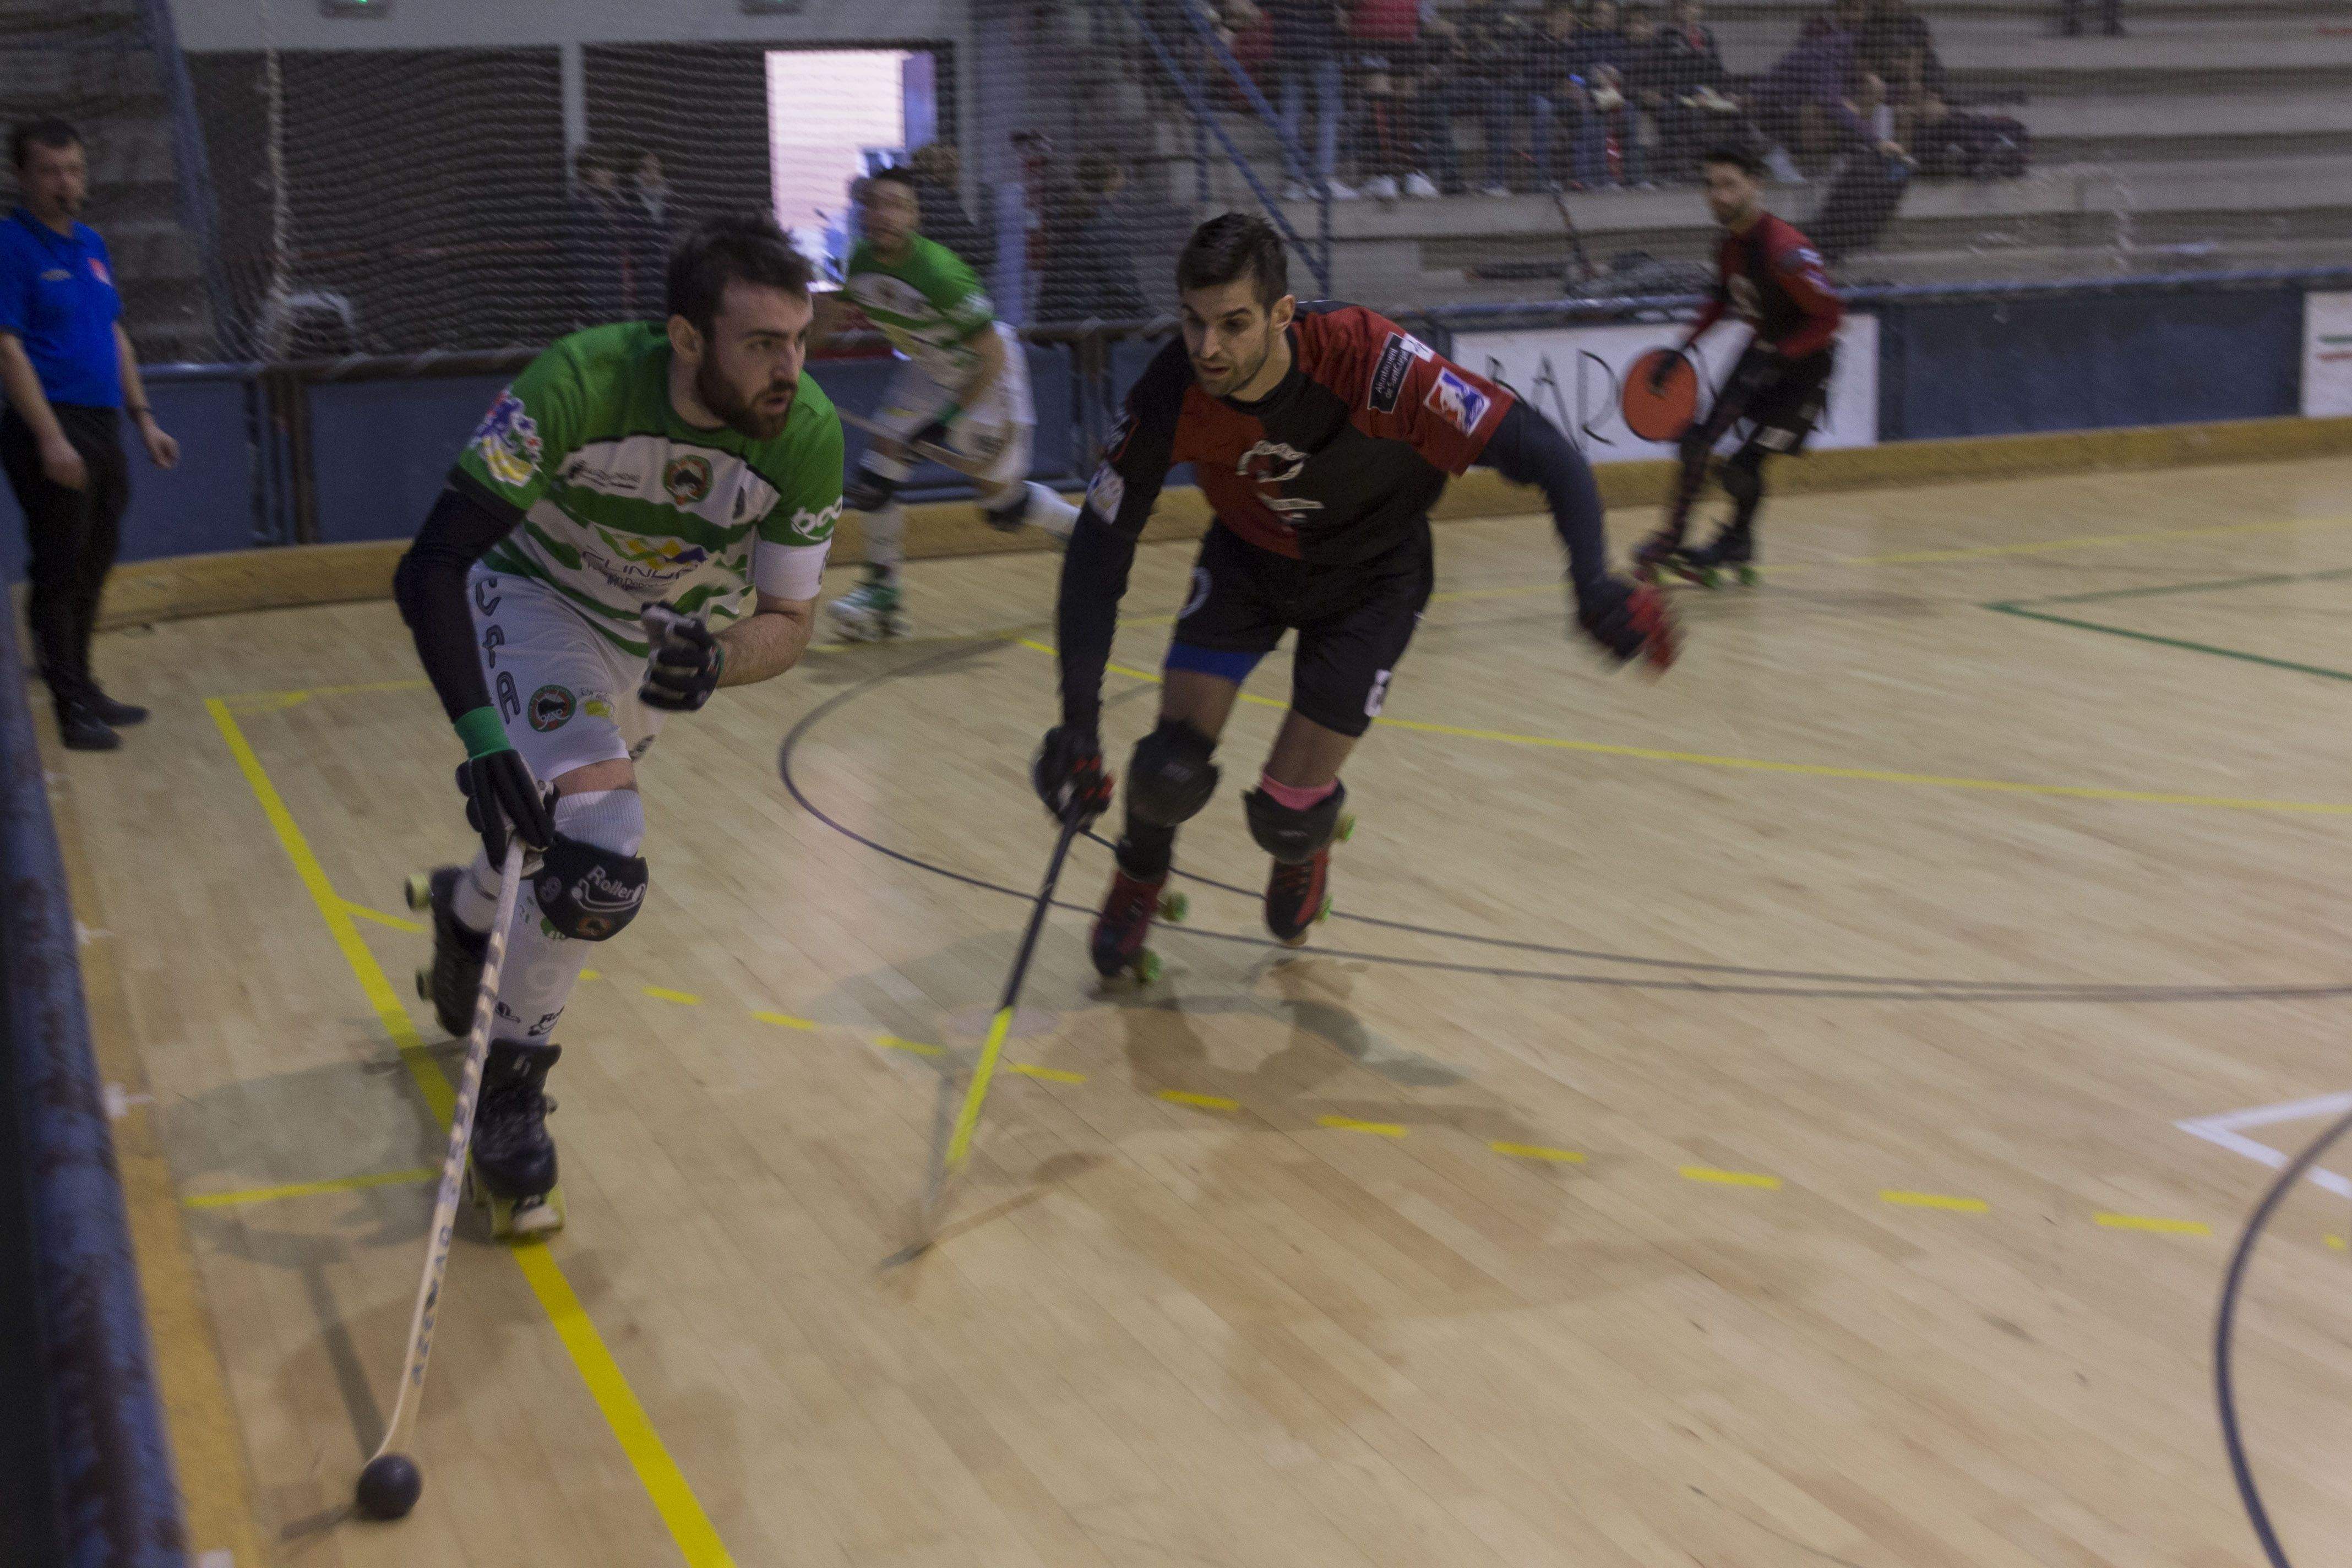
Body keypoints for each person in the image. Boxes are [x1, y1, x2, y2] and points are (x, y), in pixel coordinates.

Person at [1031, 214, 1679, 976]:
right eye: (1194, 323)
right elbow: (1100, 551)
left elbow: (1546, 454)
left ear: (1282, 313)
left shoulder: (1374, 364)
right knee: (1166, 771)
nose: (1209, 349)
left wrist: (1591, 581)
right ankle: (1139, 876)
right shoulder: (1169, 394)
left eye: (1233, 325)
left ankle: (1304, 845)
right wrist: (1077, 723)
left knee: (1284, 818)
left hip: (1374, 578)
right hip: (1250, 561)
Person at [389, 214, 842, 1237]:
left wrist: (716, 658)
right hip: (532, 599)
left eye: (801, 339)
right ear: (686, 339)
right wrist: (481, 737)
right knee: (600, 856)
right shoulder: (576, 384)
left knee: (546, 837)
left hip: (645, 637)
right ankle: (512, 1085)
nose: (791, 368)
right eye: (762, 344)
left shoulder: (806, 432)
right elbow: (429, 566)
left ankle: (467, 912)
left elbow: (789, 625)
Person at [824, 165, 1079, 641]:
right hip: (928, 367)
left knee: (1003, 506)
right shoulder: (859, 262)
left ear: (915, 217)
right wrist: (788, 355)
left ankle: (1081, 532)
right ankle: (882, 596)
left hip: (989, 376)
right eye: (873, 204)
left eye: (896, 205)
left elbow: (990, 355)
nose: (883, 214)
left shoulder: (940, 273)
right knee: (876, 477)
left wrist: (945, 423)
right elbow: (832, 310)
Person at [0, 117, 179, 751]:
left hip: (103, 422)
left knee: (96, 557)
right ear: (22, 176)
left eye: (73, 169)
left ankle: (84, 682)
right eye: (49, 171)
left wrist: (144, 418)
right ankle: (69, 703)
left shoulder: (92, 244)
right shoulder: (9, 246)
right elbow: (7, 347)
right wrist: (50, 438)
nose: (64, 182)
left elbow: (114, 334)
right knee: (59, 564)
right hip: (49, 424)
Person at [1634, 146, 1842, 587]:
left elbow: (1829, 319)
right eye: (1711, 186)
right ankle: (1671, 537)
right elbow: (1721, 298)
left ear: (1756, 185)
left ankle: (1738, 539)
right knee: (1698, 443)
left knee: (1742, 468)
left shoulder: (1788, 252)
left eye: (1729, 185)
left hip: (1803, 371)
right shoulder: (1729, 247)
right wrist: (1681, 351)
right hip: (1760, 354)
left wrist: (1783, 355)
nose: (1718, 196)